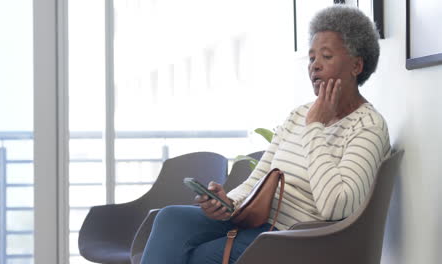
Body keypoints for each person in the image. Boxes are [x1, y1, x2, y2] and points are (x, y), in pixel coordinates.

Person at [140, 5, 390, 264]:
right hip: (258, 222)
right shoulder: (299, 114)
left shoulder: (367, 127)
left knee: (195, 257)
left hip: (294, 238)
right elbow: (260, 178)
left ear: (356, 65)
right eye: (312, 58)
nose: (314, 66)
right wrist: (229, 204)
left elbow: (337, 206)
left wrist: (315, 127)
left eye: (326, 57)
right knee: (170, 218)